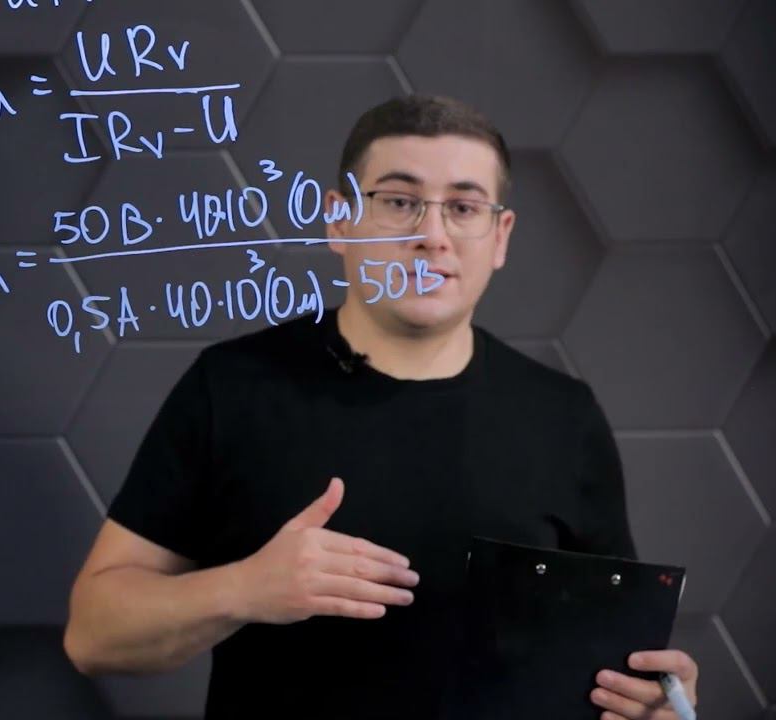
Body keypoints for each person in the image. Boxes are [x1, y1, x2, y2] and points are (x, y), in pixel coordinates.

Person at [62, 94, 700, 719]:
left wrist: (654, 701)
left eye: (463, 207)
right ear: (339, 221)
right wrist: (244, 588)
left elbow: (619, 661)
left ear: (500, 236)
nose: (432, 236)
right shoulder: (231, 386)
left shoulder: (564, 417)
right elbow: (92, 635)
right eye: (398, 202)